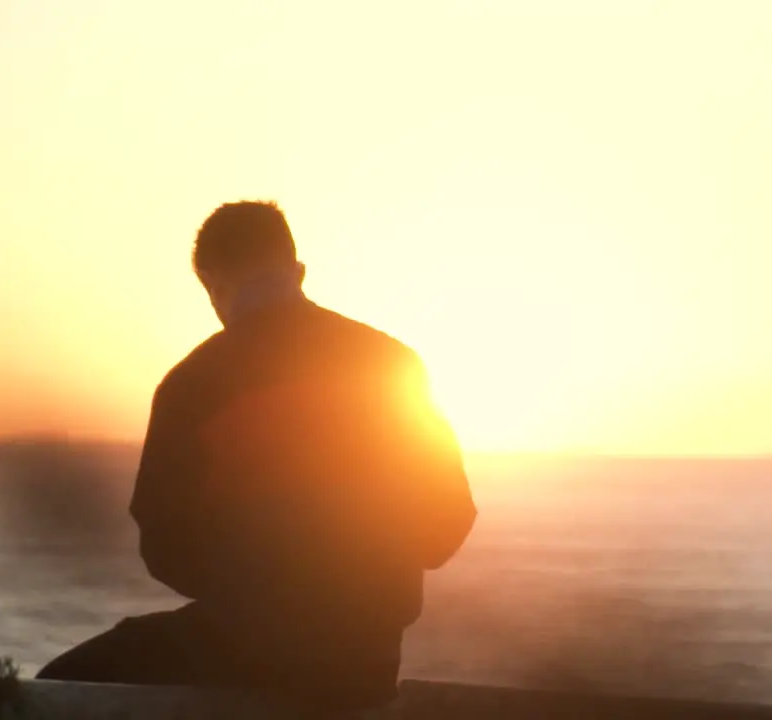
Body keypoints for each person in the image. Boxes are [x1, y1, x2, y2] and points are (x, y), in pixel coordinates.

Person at [37, 201, 478, 718]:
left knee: (58, 684)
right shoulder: (392, 365)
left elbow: (163, 544)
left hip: (246, 649)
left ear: (214, 287)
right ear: (297, 271)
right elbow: (449, 519)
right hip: (366, 663)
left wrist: (251, 596)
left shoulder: (193, 385)